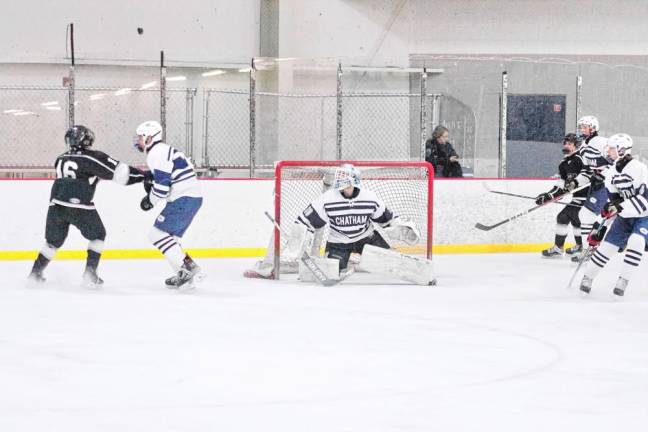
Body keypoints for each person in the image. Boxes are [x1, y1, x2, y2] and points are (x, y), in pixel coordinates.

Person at [28, 125, 148, 287]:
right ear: (86, 139)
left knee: (52, 242)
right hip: (79, 205)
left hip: (56, 205)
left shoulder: (61, 158)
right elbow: (120, 174)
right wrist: (145, 176)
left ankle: (35, 274)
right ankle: (90, 273)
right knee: (98, 235)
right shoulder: (90, 157)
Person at [290, 164, 419, 273]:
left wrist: (400, 228)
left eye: (345, 179)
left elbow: (387, 219)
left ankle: (414, 269)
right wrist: (298, 243)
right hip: (338, 242)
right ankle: (347, 260)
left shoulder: (369, 198)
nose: (342, 184)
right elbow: (305, 222)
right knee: (333, 270)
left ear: (354, 180)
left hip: (366, 238)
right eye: (340, 179)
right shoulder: (328, 199)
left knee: (390, 263)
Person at [134, 120, 203, 290]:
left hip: (184, 198)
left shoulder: (156, 153)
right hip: (190, 197)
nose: (137, 141)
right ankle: (185, 276)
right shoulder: (162, 150)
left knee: (156, 234)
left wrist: (150, 201)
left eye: (140, 137)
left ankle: (188, 267)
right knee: (171, 239)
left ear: (148, 137)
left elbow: (162, 186)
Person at [579, 133, 648, 296]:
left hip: (644, 216)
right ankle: (588, 277)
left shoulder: (639, 168)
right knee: (607, 247)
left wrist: (619, 207)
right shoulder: (611, 172)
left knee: (636, 241)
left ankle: (624, 279)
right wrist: (600, 225)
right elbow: (613, 200)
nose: (607, 151)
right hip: (625, 216)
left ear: (622, 149)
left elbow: (645, 198)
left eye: (611, 148)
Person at [536, 133, 587, 257]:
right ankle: (566, 247)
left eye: (569, 144)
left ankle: (578, 247)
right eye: (565, 143)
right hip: (577, 198)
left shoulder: (581, 159)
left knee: (570, 216)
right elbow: (561, 186)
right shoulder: (563, 163)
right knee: (566, 218)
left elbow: (588, 176)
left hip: (588, 197)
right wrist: (548, 196)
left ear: (576, 146)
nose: (566, 145)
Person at [569, 115, 611, 261]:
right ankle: (591, 248)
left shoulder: (600, 142)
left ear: (593, 128)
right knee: (588, 216)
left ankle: (590, 249)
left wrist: (604, 175)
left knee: (588, 215)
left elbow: (615, 162)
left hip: (607, 185)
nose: (582, 129)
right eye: (581, 126)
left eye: (585, 126)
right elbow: (587, 170)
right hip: (598, 185)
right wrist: (575, 182)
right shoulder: (584, 146)